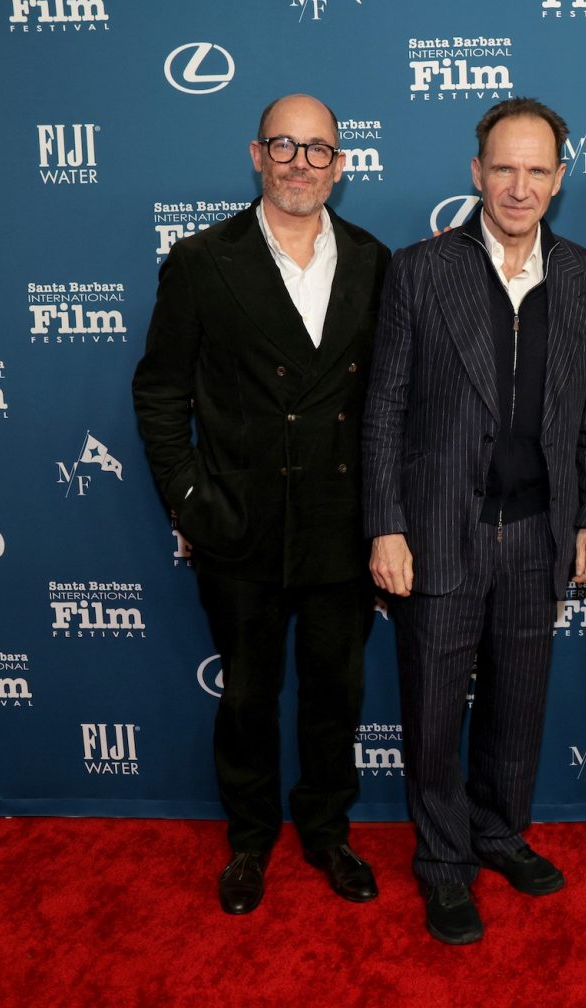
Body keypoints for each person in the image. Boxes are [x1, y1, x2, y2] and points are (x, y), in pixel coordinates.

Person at [362, 97, 586, 945]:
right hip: (438, 530)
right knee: (434, 716)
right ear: (476, 174)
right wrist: (386, 524)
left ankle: (499, 832)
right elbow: (385, 408)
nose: (519, 186)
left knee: (519, 707)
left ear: (559, 177)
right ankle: (443, 865)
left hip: (539, 531)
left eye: (537, 169)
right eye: (503, 168)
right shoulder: (418, 271)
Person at [132, 94, 390, 915]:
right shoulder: (203, 260)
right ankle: (249, 841)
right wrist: (191, 503)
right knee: (245, 698)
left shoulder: (375, 262)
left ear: (340, 165)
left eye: (318, 149)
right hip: (238, 530)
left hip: (342, 531)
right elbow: (160, 394)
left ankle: (326, 831)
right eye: (284, 145)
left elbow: (390, 402)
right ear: (256, 154)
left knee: (334, 697)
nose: (300, 163)